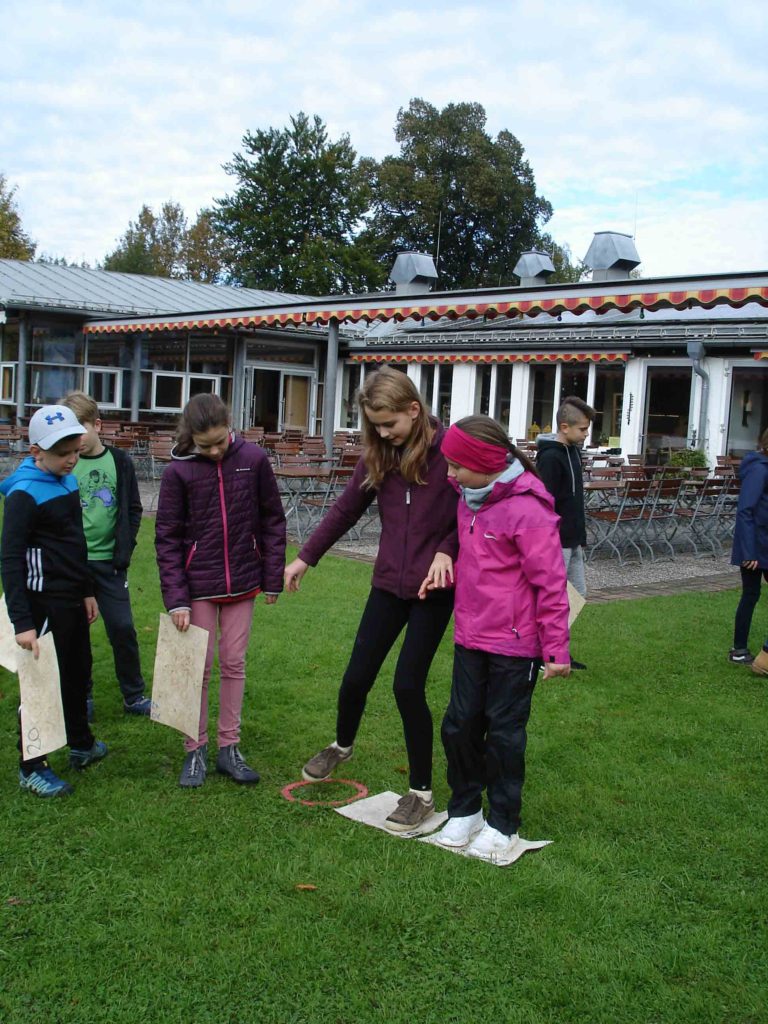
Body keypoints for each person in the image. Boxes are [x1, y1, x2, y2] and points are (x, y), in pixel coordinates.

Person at [284, 367, 458, 832]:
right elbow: (344, 510)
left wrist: (447, 550)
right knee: (356, 676)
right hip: (387, 584)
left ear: (414, 410)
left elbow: (472, 511)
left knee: (407, 685)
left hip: (433, 590)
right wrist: (305, 558)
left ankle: (421, 794)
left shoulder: (451, 454)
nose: (382, 433)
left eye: (389, 424)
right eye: (374, 425)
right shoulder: (378, 456)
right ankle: (341, 746)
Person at [421, 415, 570, 863]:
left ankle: (503, 823)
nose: (449, 475)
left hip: (515, 646)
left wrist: (556, 650)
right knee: (459, 725)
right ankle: (465, 810)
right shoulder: (468, 499)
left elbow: (551, 584)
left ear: (486, 463)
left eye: (456, 466)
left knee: (504, 736)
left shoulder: (529, 509)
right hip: (470, 637)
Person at [154, 394, 286, 788]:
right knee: (197, 666)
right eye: (204, 445)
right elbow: (167, 538)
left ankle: (229, 748)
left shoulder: (254, 460)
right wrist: (177, 599)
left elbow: (273, 520)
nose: (214, 451)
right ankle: (194, 749)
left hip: (244, 582)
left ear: (230, 426)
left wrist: (272, 577)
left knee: (233, 663)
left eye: (219, 442)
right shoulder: (177, 473)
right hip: (197, 586)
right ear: (190, 437)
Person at [1, 405, 108, 797]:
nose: (71, 459)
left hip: (72, 600)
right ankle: (32, 765)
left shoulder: (68, 482)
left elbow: (76, 544)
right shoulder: (23, 495)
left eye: (75, 451)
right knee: (41, 685)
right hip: (41, 605)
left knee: (78, 674)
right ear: (35, 452)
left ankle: (81, 743)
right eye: (62, 453)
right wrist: (22, 622)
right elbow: (10, 559)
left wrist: (87, 590)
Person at [60, 392, 150, 718]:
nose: (75, 440)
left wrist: (125, 547)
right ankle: (81, 696)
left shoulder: (120, 462)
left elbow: (134, 508)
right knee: (75, 635)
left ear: (97, 425)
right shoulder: (64, 464)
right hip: (74, 567)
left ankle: (134, 695)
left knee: (122, 628)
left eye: (80, 430)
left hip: (110, 565)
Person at [535, 395, 595, 671]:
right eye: (583, 429)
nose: (586, 434)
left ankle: (555, 649)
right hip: (556, 540)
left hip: (573, 538)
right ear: (564, 426)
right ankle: (544, 652)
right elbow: (543, 502)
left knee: (577, 594)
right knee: (553, 598)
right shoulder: (550, 457)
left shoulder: (573, 452)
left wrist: (579, 535)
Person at [729, 427, 768, 674]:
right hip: (756, 546)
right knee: (751, 595)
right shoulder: (759, 469)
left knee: (751, 594)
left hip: (763, 542)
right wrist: (749, 551)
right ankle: (739, 649)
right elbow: (746, 510)